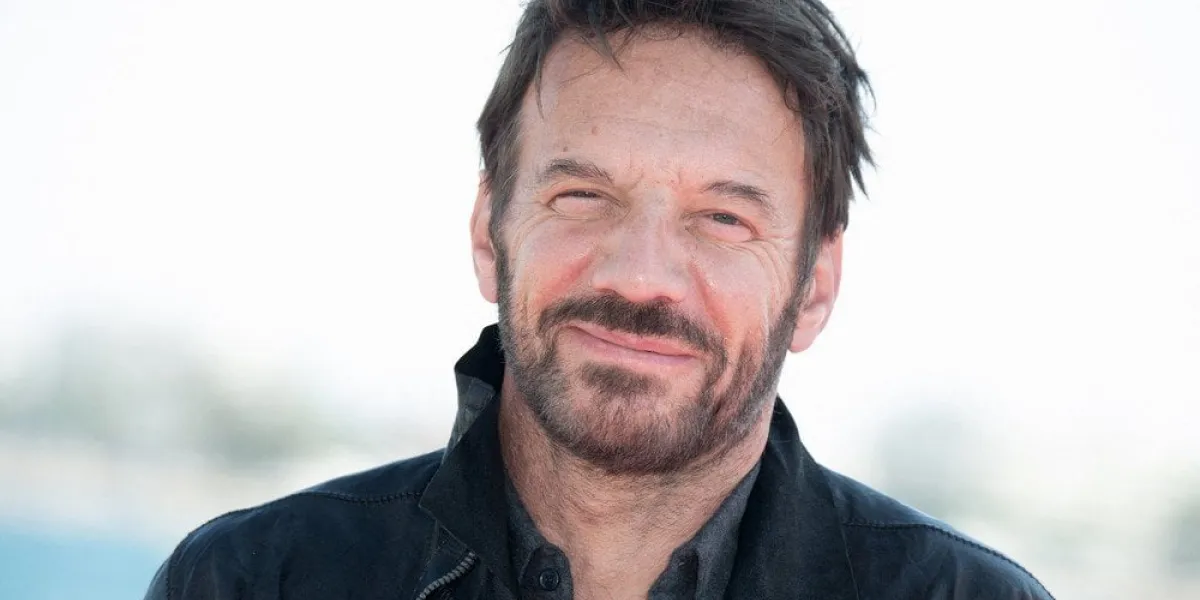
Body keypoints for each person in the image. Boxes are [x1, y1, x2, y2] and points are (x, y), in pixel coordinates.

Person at [145, 1, 1055, 598]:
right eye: (583, 196)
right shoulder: (251, 582)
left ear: (814, 286)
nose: (640, 275)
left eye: (724, 218)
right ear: (489, 232)